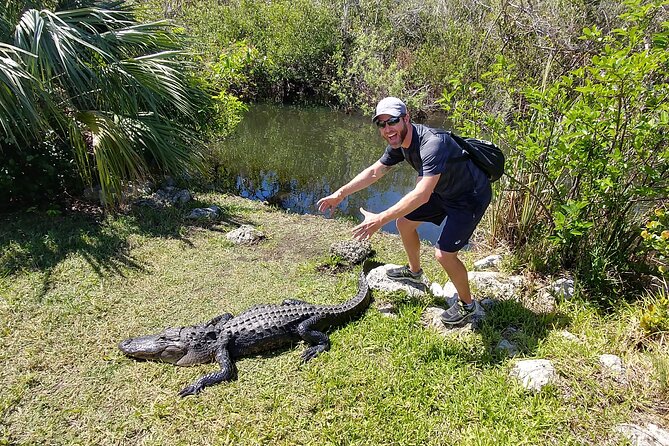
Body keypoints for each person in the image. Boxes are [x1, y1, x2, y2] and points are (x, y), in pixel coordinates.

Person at [317, 97, 492, 326]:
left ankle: (468, 306)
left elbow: (422, 194)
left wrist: (380, 219)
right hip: (443, 190)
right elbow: (374, 172)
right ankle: (414, 272)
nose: (388, 129)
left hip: (469, 197)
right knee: (404, 223)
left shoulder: (432, 143)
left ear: (406, 118)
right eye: (381, 124)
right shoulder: (399, 143)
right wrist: (340, 194)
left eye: (393, 121)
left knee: (444, 254)